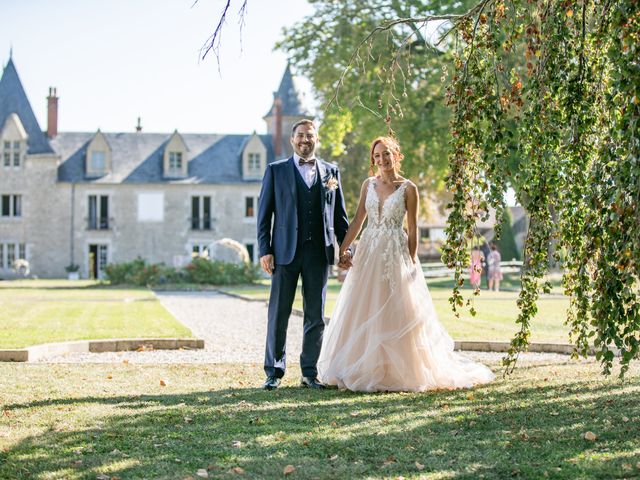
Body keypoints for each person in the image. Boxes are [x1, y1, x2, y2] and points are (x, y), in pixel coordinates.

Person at [318, 136, 495, 392]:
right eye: (377, 156)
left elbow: (412, 228)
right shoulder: (368, 184)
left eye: (386, 154)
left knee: (396, 307)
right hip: (368, 253)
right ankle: (363, 366)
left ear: (396, 155)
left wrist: (411, 261)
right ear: (373, 160)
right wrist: (343, 249)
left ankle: (396, 371)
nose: (382, 160)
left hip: (394, 252)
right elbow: (357, 220)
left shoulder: (409, 188)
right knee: (364, 306)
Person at [257, 119, 350, 390]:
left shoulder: (331, 171)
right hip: (284, 252)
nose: (304, 140)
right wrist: (265, 250)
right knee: (279, 313)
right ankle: (274, 371)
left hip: (318, 253)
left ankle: (309, 372)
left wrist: (345, 248)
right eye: (300, 135)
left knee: (315, 315)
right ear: (292, 139)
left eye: (310, 136)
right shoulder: (276, 171)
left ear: (316, 139)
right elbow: (264, 215)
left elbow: (340, 217)